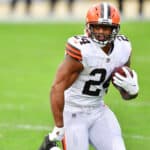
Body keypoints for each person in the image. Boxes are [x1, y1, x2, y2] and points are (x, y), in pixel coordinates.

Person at [39, 2, 139, 150]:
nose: (100, 32)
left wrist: (132, 91)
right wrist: (59, 126)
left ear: (115, 29)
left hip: (98, 110)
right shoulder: (82, 49)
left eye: (105, 28)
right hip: (73, 113)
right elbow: (57, 87)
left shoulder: (123, 48)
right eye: (96, 26)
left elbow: (124, 91)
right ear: (88, 27)